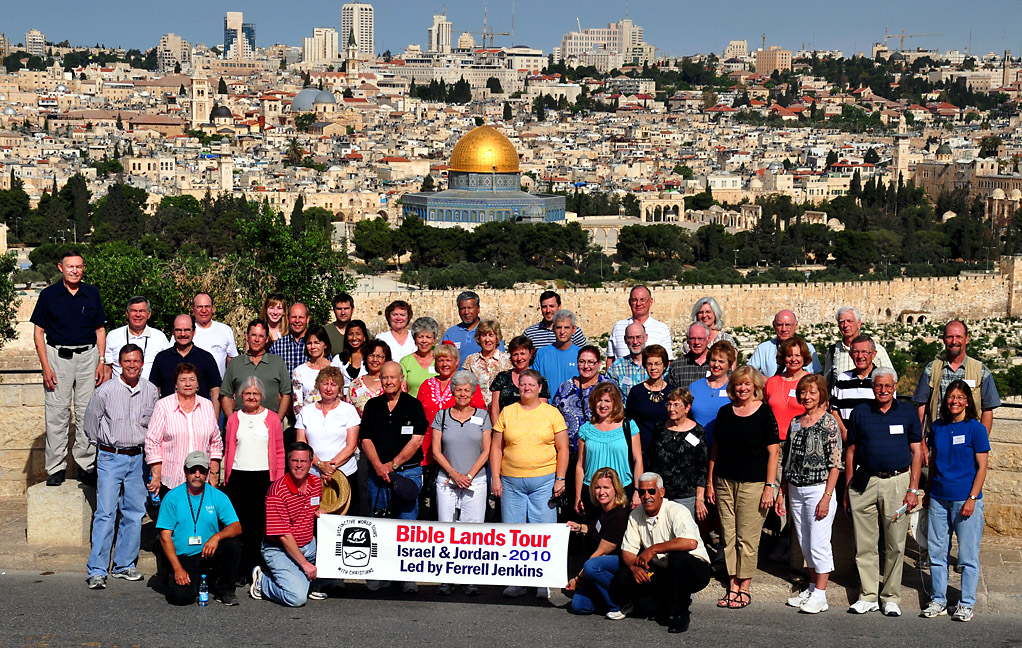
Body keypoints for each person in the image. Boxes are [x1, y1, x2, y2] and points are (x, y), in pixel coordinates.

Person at [845, 366, 923, 617]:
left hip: (897, 483)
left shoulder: (908, 413)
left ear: (895, 387)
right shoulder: (860, 412)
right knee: (864, 543)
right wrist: (848, 487)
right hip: (865, 482)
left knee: (895, 543)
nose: (883, 390)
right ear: (872, 387)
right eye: (879, 385)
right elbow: (851, 451)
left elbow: (917, 452)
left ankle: (890, 597)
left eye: (888, 385)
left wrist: (913, 489)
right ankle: (868, 595)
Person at [84, 344, 160, 589]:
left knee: (134, 512)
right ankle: (97, 569)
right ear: (119, 363)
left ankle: (124, 565)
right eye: (127, 361)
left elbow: (154, 426)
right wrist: (103, 446)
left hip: (138, 458)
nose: (131, 365)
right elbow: (90, 423)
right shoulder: (105, 391)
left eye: (136, 361)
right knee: (106, 512)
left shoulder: (150, 391)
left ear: (142, 363)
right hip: (110, 457)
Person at [490, 368, 569, 598]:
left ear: (540, 388)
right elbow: (496, 448)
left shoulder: (552, 413)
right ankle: (517, 580)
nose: (526, 388)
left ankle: (543, 581)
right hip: (511, 482)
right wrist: (495, 477)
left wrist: (560, 478)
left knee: (542, 533)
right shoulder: (507, 412)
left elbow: (563, 448)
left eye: (531, 385)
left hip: (544, 481)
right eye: (523, 384)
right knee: (513, 533)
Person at [31, 249, 107, 486]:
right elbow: (38, 332)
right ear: (60, 268)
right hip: (57, 357)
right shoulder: (48, 295)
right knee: (57, 413)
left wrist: (101, 361)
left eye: (79, 266)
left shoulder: (92, 293)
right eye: (70, 266)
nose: (75, 271)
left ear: (83, 268)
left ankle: (86, 466)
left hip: (88, 358)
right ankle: (56, 468)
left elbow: (100, 330)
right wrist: (45, 366)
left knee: (88, 413)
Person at [706, 365, 779, 609]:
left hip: (754, 484)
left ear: (755, 386)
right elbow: (716, 449)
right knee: (728, 535)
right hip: (724, 482)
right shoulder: (725, 412)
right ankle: (732, 584)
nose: (743, 388)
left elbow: (773, 452)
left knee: (747, 537)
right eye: (739, 384)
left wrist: (769, 486)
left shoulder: (764, 412)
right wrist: (710, 482)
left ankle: (744, 587)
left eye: (747, 383)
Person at [920, 380, 990, 623]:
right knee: (937, 552)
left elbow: (982, 467)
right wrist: (928, 492)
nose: (955, 401)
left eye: (960, 397)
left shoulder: (976, 429)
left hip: (965, 500)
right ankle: (938, 599)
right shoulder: (938, 427)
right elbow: (934, 461)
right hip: (938, 498)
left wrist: (972, 498)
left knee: (967, 556)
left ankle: (966, 603)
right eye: (951, 397)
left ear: (967, 402)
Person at [775, 374, 842, 614]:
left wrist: (827, 496)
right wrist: (782, 491)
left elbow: (835, 464)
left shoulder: (829, 423)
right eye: (803, 392)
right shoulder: (795, 422)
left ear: (822, 394)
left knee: (818, 543)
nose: (807, 397)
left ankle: (821, 594)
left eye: (813, 392)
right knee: (804, 542)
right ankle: (812, 588)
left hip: (818, 489)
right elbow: (788, 460)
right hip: (796, 488)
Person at [616, 472, 712, 633]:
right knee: (623, 575)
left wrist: (653, 549)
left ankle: (681, 614)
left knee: (677, 557)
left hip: (693, 569)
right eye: (642, 492)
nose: (646, 496)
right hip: (663, 569)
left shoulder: (677, 510)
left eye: (651, 491)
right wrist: (634, 568)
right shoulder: (635, 515)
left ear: (661, 492)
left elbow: (690, 542)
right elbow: (627, 550)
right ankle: (660, 603)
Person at [431, 370, 492, 596]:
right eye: (458, 390)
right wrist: (454, 474)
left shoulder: (483, 416)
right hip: (447, 480)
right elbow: (436, 450)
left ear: (473, 392)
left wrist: (469, 476)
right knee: (446, 529)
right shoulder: (442, 416)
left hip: (475, 481)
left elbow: (486, 450)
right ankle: (446, 578)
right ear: (453, 392)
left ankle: (470, 578)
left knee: (472, 530)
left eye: (467, 390)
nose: (463, 394)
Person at [156, 451, 242, 606]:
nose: (197, 475)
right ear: (185, 471)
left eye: (202, 471)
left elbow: (236, 527)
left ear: (207, 473)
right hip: (183, 555)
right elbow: (164, 537)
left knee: (233, 544)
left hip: (208, 553)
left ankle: (225, 590)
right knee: (183, 598)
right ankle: (173, 575)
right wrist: (178, 569)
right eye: (192, 470)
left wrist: (216, 537)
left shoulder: (218, 496)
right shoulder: (172, 497)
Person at [223, 376, 286, 579]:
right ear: (240, 396)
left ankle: (255, 567)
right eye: (247, 393)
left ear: (262, 396)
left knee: (259, 525)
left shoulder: (272, 418)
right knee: (239, 524)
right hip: (238, 477)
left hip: (264, 478)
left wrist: (278, 480)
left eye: (255, 394)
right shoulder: (234, 419)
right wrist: (227, 477)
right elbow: (229, 448)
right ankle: (239, 569)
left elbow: (279, 451)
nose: (251, 397)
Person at [250, 442, 325, 606]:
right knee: (297, 598)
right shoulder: (277, 492)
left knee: (336, 567)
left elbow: (312, 507)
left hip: (309, 545)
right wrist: (305, 564)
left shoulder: (316, 483)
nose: (299, 465)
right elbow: (283, 536)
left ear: (311, 463)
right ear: (288, 462)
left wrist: (319, 512)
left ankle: (305, 580)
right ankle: (262, 581)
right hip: (280, 549)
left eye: (303, 461)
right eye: (295, 461)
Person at [360, 362, 429, 530]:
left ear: (402, 379)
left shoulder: (414, 405)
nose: (389, 381)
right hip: (377, 475)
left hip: (407, 473)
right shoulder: (372, 405)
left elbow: (416, 440)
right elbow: (365, 438)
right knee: (378, 527)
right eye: (385, 377)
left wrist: (392, 465)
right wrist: (379, 466)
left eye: (393, 377)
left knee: (406, 526)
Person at [913, 320, 1000, 439]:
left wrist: (981, 441)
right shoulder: (931, 369)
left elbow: (987, 410)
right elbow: (922, 407)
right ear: (944, 339)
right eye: (950, 337)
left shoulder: (981, 371)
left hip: (968, 441)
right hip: (937, 439)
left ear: (967, 339)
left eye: (959, 337)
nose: (954, 341)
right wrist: (921, 441)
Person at [145, 363, 224, 495]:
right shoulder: (163, 406)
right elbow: (152, 442)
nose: (188, 384)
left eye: (192, 379)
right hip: (172, 479)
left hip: (201, 479)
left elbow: (215, 442)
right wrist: (156, 475)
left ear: (197, 384)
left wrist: (214, 474)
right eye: (183, 380)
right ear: (176, 384)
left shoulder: (207, 405)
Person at [551, 345, 612, 509]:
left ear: (599, 364)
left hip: (599, 454)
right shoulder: (565, 387)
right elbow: (553, 417)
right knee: (572, 504)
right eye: (582, 362)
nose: (586, 366)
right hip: (570, 456)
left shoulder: (608, 386)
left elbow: (619, 415)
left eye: (591, 362)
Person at [564, 467, 630, 618]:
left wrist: (578, 579)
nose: (601, 492)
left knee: (591, 566)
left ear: (616, 489)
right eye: (598, 487)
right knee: (579, 606)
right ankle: (604, 597)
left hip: (617, 563)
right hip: (600, 564)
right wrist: (579, 527)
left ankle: (620, 603)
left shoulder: (619, 515)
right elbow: (596, 529)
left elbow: (601, 552)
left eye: (606, 487)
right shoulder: (601, 510)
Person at [296, 367, 362, 516]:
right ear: (318, 385)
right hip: (313, 475)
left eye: (333, 384)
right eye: (325, 383)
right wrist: (320, 465)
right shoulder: (306, 411)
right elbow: (302, 445)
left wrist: (330, 467)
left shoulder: (349, 410)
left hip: (345, 475)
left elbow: (351, 446)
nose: (328, 388)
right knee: (313, 518)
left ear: (339, 387)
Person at [575, 382, 642, 523]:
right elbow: (580, 466)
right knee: (593, 532)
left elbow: (638, 460)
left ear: (615, 403)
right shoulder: (586, 429)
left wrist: (637, 491)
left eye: (607, 401)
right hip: (593, 493)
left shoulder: (628, 426)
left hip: (622, 491)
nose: (603, 405)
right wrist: (578, 496)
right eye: (599, 400)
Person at [417, 343, 487, 463]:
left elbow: (480, 414)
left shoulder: (467, 384)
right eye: (440, 360)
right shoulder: (426, 385)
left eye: (448, 360)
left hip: (459, 449)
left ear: (456, 361)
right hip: (428, 447)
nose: (444, 364)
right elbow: (417, 415)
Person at [649, 388, 707, 519]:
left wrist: (700, 498)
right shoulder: (659, 428)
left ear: (687, 408)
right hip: (661, 495)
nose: (671, 409)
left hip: (686, 496)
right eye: (669, 404)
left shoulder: (697, 431)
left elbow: (702, 467)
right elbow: (652, 462)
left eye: (676, 405)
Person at [221, 320, 292, 422]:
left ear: (266, 339)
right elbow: (226, 395)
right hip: (242, 423)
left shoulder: (277, 362)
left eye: (261, 336)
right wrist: (232, 421)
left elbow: (286, 394)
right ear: (247, 337)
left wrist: (278, 419)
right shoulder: (235, 363)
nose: (257, 340)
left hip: (270, 423)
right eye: (253, 335)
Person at [149, 315, 222, 415]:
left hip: (200, 417)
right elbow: (154, 392)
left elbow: (215, 393)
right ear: (173, 332)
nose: (183, 334)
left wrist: (214, 420)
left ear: (194, 332)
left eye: (187, 330)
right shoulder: (162, 358)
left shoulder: (206, 358)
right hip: (169, 417)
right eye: (178, 330)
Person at [624, 345, 673, 466]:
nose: (653, 368)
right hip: (642, 450)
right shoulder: (636, 392)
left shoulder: (672, 392)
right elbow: (629, 421)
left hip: (668, 450)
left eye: (657, 363)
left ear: (664, 366)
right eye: (649, 364)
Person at [823, 306, 893, 390]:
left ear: (859, 323)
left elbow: (891, 380)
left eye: (849, 321)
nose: (845, 325)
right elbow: (827, 384)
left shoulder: (877, 350)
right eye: (842, 322)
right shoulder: (833, 351)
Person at [103, 296, 170, 381]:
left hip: (150, 388)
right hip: (119, 388)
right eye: (134, 311)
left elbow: (167, 367)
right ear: (127, 313)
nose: (138, 315)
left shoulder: (160, 337)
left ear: (149, 314)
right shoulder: (113, 336)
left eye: (142, 311)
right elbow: (107, 369)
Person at [606, 285, 673, 368]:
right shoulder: (618, 327)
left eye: (642, 300)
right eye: (634, 300)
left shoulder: (662, 329)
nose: (638, 304)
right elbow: (610, 359)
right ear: (629, 302)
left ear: (650, 302)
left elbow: (667, 362)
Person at [488, 335, 549, 423]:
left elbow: (542, 410)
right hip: (504, 427)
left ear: (530, 354)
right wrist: (497, 429)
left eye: (522, 354)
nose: (519, 358)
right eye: (515, 354)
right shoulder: (502, 378)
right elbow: (494, 411)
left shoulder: (539, 380)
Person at [688, 340, 736, 449]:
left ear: (729, 364)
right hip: (697, 448)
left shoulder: (734, 389)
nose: (716, 365)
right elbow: (685, 419)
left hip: (725, 448)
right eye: (713, 360)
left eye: (721, 361)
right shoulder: (694, 387)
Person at [764, 337, 812, 441]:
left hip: (802, 440)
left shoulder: (811, 382)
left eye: (797, 355)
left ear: (804, 357)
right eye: (789, 356)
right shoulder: (772, 382)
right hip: (774, 441)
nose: (793, 359)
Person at [748, 310, 822, 377]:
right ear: (774, 325)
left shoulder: (808, 348)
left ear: (796, 325)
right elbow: (748, 372)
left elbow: (817, 376)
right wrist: (767, 382)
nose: (784, 329)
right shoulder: (763, 349)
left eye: (787, 325)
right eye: (779, 325)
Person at [832, 335, 884, 425]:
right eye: (856, 352)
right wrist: (844, 432)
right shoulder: (842, 379)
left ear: (874, 354)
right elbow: (834, 410)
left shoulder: (882, 379)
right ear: (850, 355)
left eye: (864, 352)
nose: (860, 356)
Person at [291, 325, 342, 416]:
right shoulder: (299, 371)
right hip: (307, 419)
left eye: (317, 343)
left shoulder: (335, 369)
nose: (313, 347)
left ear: (325, 345)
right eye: (309, 343)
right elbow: (297, 404)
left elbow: (339, 398)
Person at [460, 320, 510, 408]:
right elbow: (466, 386)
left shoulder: (506, 360)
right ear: (479, 338)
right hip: (476, 409)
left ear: (497, 338)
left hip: (500, 408)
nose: (487, 340)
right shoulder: (471, 360)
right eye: (484, 335)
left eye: (491, 335)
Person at [442, 291, 503, 359]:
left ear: (478, 308)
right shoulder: (450, 334)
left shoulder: (490, 332)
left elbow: (500, 357)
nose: (466, 312)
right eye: (463, 308)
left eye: (470, 308)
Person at [190, 292, 238, 379]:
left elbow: (232, 362)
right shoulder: (185, 331)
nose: (204, 310)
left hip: (219, 385)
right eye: (200, 307)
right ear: (193, 308)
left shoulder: (225, 330)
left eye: (207, 306)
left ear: (212, 308)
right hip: (190, 386)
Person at [532, 309, 581, 395]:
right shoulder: (541, 354)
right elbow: (534, 382)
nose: (562, 332)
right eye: (559, 327)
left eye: (566, 327)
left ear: (574, 330)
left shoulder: (581, 355)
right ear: (553, 329)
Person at [523, 290, 587, 349]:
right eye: (544, 307)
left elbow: (584, 355)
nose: (548, 310)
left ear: (559, 307)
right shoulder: (529, 334)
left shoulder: (575, 333)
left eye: (551, 306)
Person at [606, 321, 648, 400]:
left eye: (639, 337)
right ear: (625, 340)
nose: (635, 342)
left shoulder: (656, 366)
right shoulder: (616, 368)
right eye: (631, 338)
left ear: (646, 337)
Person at [399, 317, 440, 398]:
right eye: (420, 337)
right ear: (414, 338)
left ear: (434, 339)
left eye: (428, 337)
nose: (424, 341)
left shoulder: (440, 359)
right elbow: (402, 389)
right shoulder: (406, 361)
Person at [347, 340, 391, 415]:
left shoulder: (392, 383)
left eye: (379, 356)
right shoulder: (355, 384)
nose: (375, 360)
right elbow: (348, 412)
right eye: (371, 355)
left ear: (386, 359)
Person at [269, 302, 310, 376]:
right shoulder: (277, 347)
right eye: (294, 317)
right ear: (288, 318)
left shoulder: (317, 345)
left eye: (301, 317)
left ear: (307, 319)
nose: (297, 321)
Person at [667, 323, 712, 389]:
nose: (696, 342)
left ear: (708, 339)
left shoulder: (718, 365)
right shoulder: (677, 367)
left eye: (700, 339)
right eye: (693, 338)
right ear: (687, 340)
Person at [337, 320, 370, 395]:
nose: (354, 338)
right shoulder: (339, 359)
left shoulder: (370, 358)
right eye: (350, 334)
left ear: (364, 337)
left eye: (358, 334)